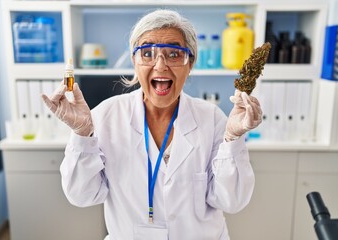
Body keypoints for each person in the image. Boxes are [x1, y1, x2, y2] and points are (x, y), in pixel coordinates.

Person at [42, 9, 262, 240]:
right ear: (134, 62)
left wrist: (233, 139)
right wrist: (81, 134)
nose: (160, 65)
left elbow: (232, 201)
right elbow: (81, 195)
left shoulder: (213, 119)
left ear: (190, 64)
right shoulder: (106, 117)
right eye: (147, 53)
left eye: (174, 54)